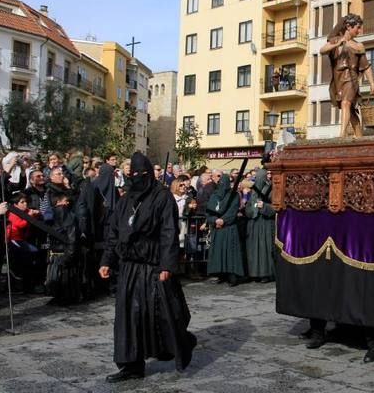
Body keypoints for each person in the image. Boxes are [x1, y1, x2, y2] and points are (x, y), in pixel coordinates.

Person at [99, 152, 196, 383]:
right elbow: (114, 233)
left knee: (162, 314)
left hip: (153, 267)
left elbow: (168, 233)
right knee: (128, 317)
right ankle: (131, 364)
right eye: (133, 174)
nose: (137, 178)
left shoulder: (162, 197)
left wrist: (167, 264)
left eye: (141, 174)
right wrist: (106, 260)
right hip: (129, 267)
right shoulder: (126, 200)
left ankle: (182, 341)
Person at [320, 14, 374, 137]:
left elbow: (366, 66)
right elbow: (322, 50)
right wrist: (337, 43)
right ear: (348, 26)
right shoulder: (336, 40)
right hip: (338, 78)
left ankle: (342, 134)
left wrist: (372, 83)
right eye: (357, 27)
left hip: (351, 78)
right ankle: (360, 137)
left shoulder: (358, 46)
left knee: (346, 103)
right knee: (351, 111)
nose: (359, 30)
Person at [206, 174, 244, 285]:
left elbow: (232, 210)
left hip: (229, 228)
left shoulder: (234, 196)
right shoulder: (214, 196)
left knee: (230, 252)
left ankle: (232, 274)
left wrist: (223, 220)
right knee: (219, 252)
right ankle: (220, 273)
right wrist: (214, 220)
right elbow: (209, 211)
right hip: (217, 229)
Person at [46, 192, 81, 305]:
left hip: (62, 250)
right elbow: (70, 232)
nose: (67, 203)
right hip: (61, 249)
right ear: (58, 202)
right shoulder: (61, 211)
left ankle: (64, 297)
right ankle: (62, 296)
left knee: (63, 276)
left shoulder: (62, 213)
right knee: (61, 276)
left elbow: (70, 232)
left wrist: (69, 253)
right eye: (65, 201)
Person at [245, 169, 275, 282]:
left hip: (265, 224)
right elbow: (248, 207)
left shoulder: (272, 190)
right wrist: (251, 210)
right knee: (254, 250)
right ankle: (254, 273)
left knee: (264, 249)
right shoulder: (253, 192)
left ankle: (266, 273)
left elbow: (276, 207)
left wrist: (265, 207)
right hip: (254, 224)